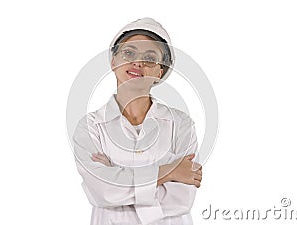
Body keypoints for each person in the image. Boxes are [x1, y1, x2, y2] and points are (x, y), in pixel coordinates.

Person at [72, 18, 202, 225]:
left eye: (150, 58)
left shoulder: (181, 124)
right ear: (113, 61)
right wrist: (169, 171)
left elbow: (181, 199)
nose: (138, 62)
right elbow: (103, 191)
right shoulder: (90, 127)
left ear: (160, 72)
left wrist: (118, 182)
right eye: (128, 53)